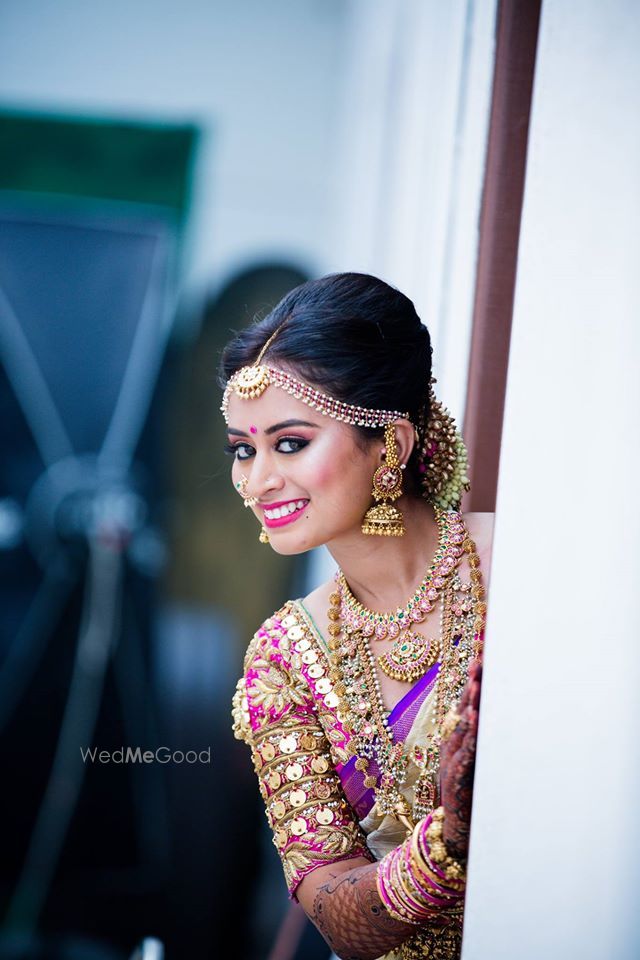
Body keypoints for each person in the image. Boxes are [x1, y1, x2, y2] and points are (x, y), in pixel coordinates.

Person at [218, 273, 493, 960]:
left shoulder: (521, 573)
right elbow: (339, 917)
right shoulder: (283, 658)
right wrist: (447, 838)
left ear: (390, 446)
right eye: (242, 450)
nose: (256, 481)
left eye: (289, 443)